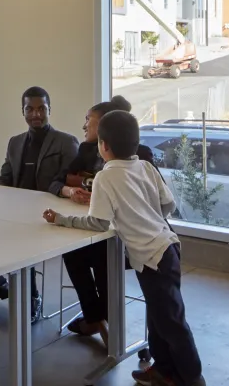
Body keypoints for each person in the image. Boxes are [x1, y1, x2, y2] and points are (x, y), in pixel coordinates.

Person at [44, 111, 204, 386]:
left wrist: (62, 219)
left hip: (152, 257)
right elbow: (168, 206)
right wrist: (143, 213)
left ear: (103, 146)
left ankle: (192, 378)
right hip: (167, 248)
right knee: (158, 318)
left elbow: (98, 222)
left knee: (171, 323)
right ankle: (164, 371)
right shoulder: (145, 167)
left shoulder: (106, 177)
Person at [0, 86, 79, 317]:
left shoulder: (66, 142)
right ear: (23, 111)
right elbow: (5, 177)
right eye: (30, 109)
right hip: (15, 209)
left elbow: (66, 182)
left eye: (41, 109)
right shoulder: (15, 142)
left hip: (47, 213)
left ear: (49, 110)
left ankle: (31, 298)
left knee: (20, 241)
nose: (36, 114)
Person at [59, 95, 156, 342]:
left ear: (105, 126)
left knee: (102, 251)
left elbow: (153, 196)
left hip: (131, 238)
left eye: (88, 121)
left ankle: (107, 325)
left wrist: (92, 183)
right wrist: (82, 185)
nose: (84, 126)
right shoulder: (85, 149)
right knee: (73, 251)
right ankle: (95, 318)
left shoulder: (140, 153)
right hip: (100, 222)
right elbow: (64, 178)